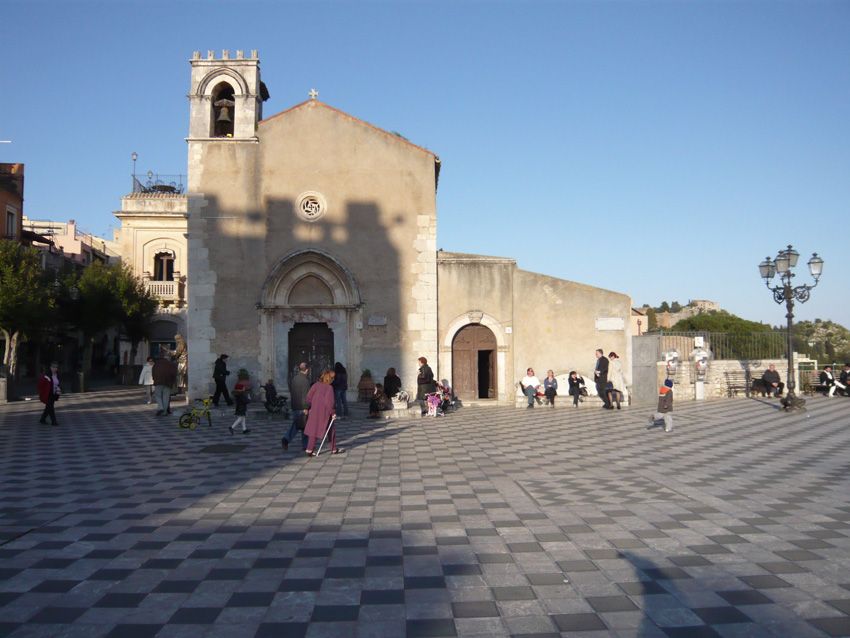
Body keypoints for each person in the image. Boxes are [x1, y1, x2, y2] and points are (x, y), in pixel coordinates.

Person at [305, 369, 342, 456]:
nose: (333, 379)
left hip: (314, 412)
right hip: (324, 413)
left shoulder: (315, 385)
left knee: (313, 431)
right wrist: (333, 413)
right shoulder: (329, 388)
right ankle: (333, 448)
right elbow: (329, 403)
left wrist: (312, 406)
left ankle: (309, 449)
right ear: (329, 378)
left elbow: (308, 398)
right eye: (332, 378)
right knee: (331, 430)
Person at [283, 363, 311, 451]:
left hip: (295, 405)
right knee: (304, 426)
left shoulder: (294, 379)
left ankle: (288, 439)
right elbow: (306, 395)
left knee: (298, 425)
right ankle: (305, 445)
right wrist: (306, 407)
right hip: (303, 407)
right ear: (306, 370)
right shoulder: (306, 381)